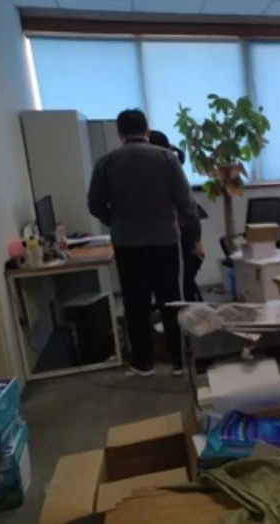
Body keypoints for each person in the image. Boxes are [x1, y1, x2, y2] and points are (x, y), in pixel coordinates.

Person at [88, 109, 198, 377]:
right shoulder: (167, 158)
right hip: (164, 241)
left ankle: (143, 362)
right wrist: (182, 223)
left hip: (127, 243)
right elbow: (186, 202)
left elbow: (95, 205)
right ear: (147, 130)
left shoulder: (105, 162)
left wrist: (115, 221)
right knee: (170, 300)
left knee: (135, 302)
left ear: (120, 133)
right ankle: (178, 360)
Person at [149, 130, 206, 302]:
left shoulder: (164, 168)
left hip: (179, 233)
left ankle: (183, 311)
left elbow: (188, 209)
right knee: (181, 281)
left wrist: (196, 241)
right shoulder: (169, 165)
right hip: (177, 232)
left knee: (181, 282)